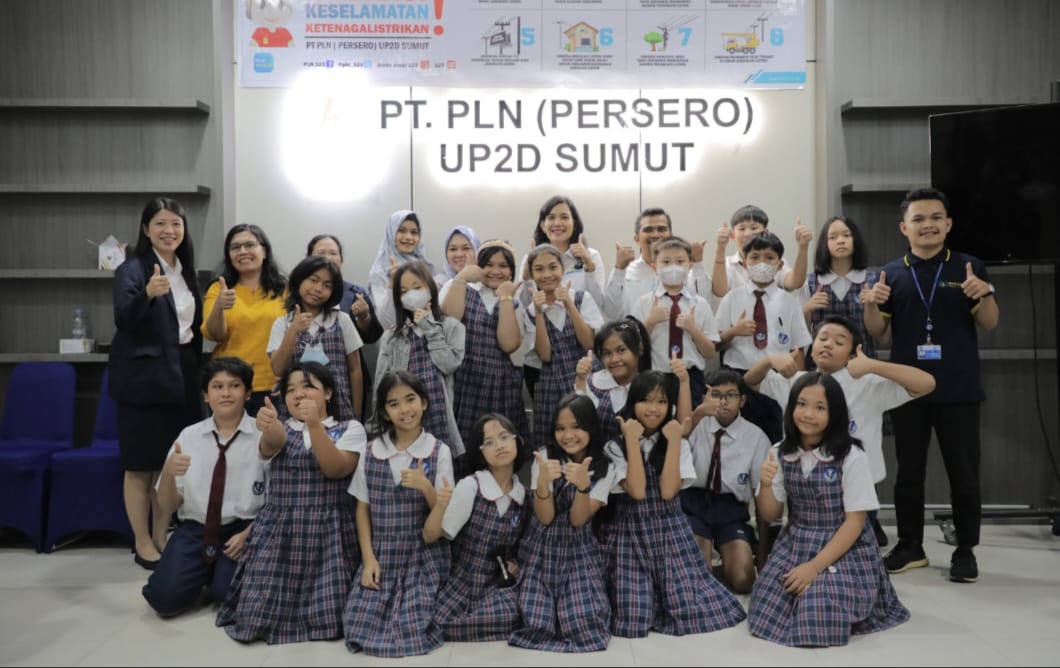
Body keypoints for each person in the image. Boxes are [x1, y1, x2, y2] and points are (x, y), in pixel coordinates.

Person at [863, 187, 999, 583]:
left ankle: (965, 549)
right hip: (907, 392)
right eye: (919, 219)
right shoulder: (890, 273)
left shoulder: (969, 268)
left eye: (936, 217)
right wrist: (871, 304)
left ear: (948, 223)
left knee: (964, 472)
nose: (928, 225)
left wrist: (985, 293)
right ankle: (910, 546)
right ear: (904, 227)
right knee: (909, 472)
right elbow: (881, 336)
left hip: (959, 390)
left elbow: (989, 323)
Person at [745, 314, 936, 547]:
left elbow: (926, 384)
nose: (828, 344)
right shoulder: (796, 381)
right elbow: (751, 381)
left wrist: (873, 365)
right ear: (812, 348)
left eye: (839, 341)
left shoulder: (867, 383)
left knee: (850, 550)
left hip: (855, 483)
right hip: (803, 485)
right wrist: (769, 360)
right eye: (822, 338)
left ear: (853, 353)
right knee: (808, 546)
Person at [748, 373, 910, 647]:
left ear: (834, 414)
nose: (808, 414)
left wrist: (813, 567)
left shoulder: (852, 455)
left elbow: (855, 523)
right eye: (801, 404)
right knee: (765, 604)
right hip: (797, 540)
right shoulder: (779, 452)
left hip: (846, 546)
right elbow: (770, 514)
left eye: (820, 407)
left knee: (819, 609)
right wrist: (764, 483)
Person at [217, 361, 364, 644]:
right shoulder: (282, 427)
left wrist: (314, 424)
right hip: (281, 530)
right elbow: (273, 442)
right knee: (258, 616)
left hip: (329, 532)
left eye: (308, 386)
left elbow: (335, 468)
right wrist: (270, 426)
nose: (298, 394)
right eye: (291, 389)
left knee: (331, 619)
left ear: (329, 393)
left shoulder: (350, 428)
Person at [600, 371, 746, 638]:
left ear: (671, 407)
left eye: (661, 402)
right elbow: (637, 491)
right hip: (629, 532)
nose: (653, 409)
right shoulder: (615, 446)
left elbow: (668, 492)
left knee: (688, 607)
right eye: (645, 400)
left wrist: (675, 441)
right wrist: (632, 441)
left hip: (670, 530)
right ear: (632, 403)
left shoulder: (677, 442)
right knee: (633, 617)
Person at [109, 197, 204, 569]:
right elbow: (123, 319)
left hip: (182, 370)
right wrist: (147, 295)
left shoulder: (187, 271)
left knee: (172, 461)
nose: (169, 230)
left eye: (176, 224)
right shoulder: (132, 269)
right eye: (161, 223)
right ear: (146, 229)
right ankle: (142, 539)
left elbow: (189, 329)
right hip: (144, 378)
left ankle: (163, 533)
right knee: (140, 464)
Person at [142, 357, 264, 617]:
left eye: (234, 386)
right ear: (206, 396)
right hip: (196, 529)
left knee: (229, 597)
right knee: (164, 600)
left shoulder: (263, 437)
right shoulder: (188, 436)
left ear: (248, 393)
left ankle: (216, 573)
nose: (226, 393)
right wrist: (168, 472)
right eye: (217, 387)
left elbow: (278, 500)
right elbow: (168, 504)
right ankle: (204, 569)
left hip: (243, 530)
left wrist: (249, 535)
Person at [343, 371, 453, 657]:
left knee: (413, 623)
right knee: (357, 623)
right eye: (394, 404)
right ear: (384, 412)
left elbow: (442, 516)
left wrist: (426, 487)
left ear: (424, 403)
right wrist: (368, 559)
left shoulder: (439, 451)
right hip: (382, 551)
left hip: (423, 551)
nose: (404, 410)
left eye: (410, 399)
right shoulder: (370, 451)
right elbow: (362, 509)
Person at [509, 393, 620, 653]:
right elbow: (545, 518)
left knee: (584, 619)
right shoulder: (546, 457)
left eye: (577, 427)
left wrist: (583, 487)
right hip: (542, 545)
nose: (568, 435)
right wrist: (544, 483)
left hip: (578, 546)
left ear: (591, 427)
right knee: (537, 619)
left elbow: (578, 520)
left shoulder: (605, 467)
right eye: (560, 428)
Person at [425, 413, 531, 641]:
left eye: (504, 437)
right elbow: (443, 536)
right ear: (480, 451)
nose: (499, 446)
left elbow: (519, 546)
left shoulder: (522, 496)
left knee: (515, 613)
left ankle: (476, 623)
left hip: (497, 583)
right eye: (489, 442)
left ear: (517, 441)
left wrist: (514, 564)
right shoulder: (470, 486)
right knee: (438, 621)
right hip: (463, 580)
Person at [714, 231, 813, 442]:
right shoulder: (732, 298)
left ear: (779, 265)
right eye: (755, 257)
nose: (762, 263)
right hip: (737, 379)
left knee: (776, 438)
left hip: (776, 380)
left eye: (769, 257)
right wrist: (734, 331)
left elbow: (799, 349)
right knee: (736, 440)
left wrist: (800, 389)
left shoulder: (789, 301)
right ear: (745, 263)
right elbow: (715, 345)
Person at [681, 369, 771, 593]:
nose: (723, 402)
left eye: (730, 395)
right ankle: (707, 568)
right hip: (693, 504)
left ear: (742, 400)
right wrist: (697, 414)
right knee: (697, 577)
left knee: (743, 580)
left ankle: (722, 568)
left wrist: (762, 550)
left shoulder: (756, 437)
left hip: (731, 509)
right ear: (705, 397)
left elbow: (760, 494)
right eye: (716, 394)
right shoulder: (696, 425)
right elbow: (674, 446)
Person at [375, 260, 466, 458]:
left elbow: (449, 365)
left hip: (439, 412)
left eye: (417, 287)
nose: (412, 294)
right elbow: (381, 383)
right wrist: (376, 423)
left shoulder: (452, 327)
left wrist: (429, 328)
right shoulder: (392, 336)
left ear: (430, 288)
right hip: (403, 414)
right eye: (404, 291)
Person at [517, 196, 606, 396]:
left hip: (581, 359)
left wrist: (589, 266)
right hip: (542, 367)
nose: (557, 223)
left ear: (575, 223)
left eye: (564, 217)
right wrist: (527, 278)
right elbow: (522, 306)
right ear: (542, 224)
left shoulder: (589, 255)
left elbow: (598, 303)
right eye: (551, 218)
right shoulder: (528, 258)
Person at [440, 239, 525, 444]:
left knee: (498, 442)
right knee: (464, 442)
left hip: (500, 384)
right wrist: (461, 278)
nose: (495, 271)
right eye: (489, 264)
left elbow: (509, 344)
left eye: (503, 266)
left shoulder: (514, 299)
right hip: (464, 378)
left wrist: (505, 298)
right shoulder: (461, 287)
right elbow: (449, 320)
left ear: (511, 271)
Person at [522, 244, 603, 446]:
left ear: (562, 269)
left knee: (590, 437)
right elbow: (545, 355)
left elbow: (589, 343)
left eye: (552, 267)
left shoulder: (581, 298)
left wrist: (568, 305)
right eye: (539, 269)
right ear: (531, 274)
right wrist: (540, 313)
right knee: (553, 444)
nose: (547, 274)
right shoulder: (530, 311)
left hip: (587, 379)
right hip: (551, 386)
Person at [202, 224, 287, 416]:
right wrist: (219, 306)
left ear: (264, 251)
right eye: (235, 247)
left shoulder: (285, 290)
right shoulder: (219, 288)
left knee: (272, 444)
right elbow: (215, 335)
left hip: (275, 383)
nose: (243, 251)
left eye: (250, 245)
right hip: (229, 385)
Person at [267, 256, 364, 422]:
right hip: (296, 410)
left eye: (327, 286)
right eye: (313, 280)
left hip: (338, 407)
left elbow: (355, 370)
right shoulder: (282, 323)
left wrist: (357, 413)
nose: (318, 289)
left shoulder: (342, 320)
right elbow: (278, 369)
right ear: (299, 280)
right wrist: (293, 330)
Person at [630, 236, 720, 406]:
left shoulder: (700, 304)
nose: (673, 267)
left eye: (680, 261)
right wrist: (650, 322)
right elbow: (635, 349)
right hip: (654, 377)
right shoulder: (644, 303)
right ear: (655, 267)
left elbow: (709, 353)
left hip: (691, 377)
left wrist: (693, 329)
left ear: (690, 266)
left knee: (689, 426)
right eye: (666, 261)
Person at [307, 234, 383, 420]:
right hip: (308, 378)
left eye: (333, 253)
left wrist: (363, 317)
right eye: (320, 253)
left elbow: (372, 336)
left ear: (341, 259)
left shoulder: (355, 293)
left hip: (351, 377)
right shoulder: (302, 293)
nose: (327, 257)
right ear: (309, 259)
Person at [800, 216, 880, 371]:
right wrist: (807, 309)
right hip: (821, 367)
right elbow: (800, 335)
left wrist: (872, 305)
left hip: (863, 364)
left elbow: (879, 334)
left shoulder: (872, 280)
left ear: (856, 240)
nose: (840, 241)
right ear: (824, 243)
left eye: (847, 235)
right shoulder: (811, 282)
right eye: (833, 237)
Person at [602, 207, 711, 319]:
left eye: (661, 229)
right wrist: (619, 269)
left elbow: (706, 303)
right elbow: (611, 312)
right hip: (637, 335)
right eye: (648, 230)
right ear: (637, 238)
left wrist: (698, 264)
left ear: (671, 235)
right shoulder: (625, 271)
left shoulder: (686, 269)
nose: (655, 235)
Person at [573, 317, 653, 445]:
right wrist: (581, 380)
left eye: (621, 350)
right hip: (597, 461)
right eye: (607, 353)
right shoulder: (592, 383)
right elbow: (579, 422)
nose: (614, 359)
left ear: (640, 349)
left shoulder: (652, 387)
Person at [711, 204, 812, 301]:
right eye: (742, 229)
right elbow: (719, 291)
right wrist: (721, 247)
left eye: (754, 228)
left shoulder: (774, 261)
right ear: (732, 235)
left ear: (765, 232)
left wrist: (803, 247)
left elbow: (795, 282)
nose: (748, 234)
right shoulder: (727, 264)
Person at [368, 210, 437, 330]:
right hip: (397, 340)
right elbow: (386, 321)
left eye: (414, 232)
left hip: (429, 335)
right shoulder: (380, 271)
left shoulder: (425, 266)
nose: (409, 237)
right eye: (401, 230)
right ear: (391, 233)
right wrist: (393, 285)